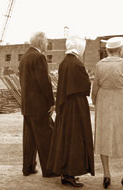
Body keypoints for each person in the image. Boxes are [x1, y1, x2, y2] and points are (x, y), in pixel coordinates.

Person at [92, 37, 123, 190]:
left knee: (104, 136)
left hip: (104, 102)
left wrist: (96, 101)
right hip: (121, 102)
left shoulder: (99, 65)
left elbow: (94, 88)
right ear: (121, 49)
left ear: (107, 50)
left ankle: (107, 175)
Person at [46, 36, 95, 187]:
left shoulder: (64, 62)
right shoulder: (76, 63)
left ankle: (65, 172)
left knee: (65, 139)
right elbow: (85, 86)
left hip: (66, 106)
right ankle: (70, 174)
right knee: (75, 140)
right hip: (76, 107)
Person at [19, 31, 56, 177]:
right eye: (46, 41)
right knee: (46, 137)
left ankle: (28, 168)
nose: (47, 43)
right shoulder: (39, 57)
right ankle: (49, 170)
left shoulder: (24, 57)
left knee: (30, 138)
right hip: (39, 106)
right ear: (40, 42)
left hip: (27, 106)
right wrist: (51, 102)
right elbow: (44, 82)